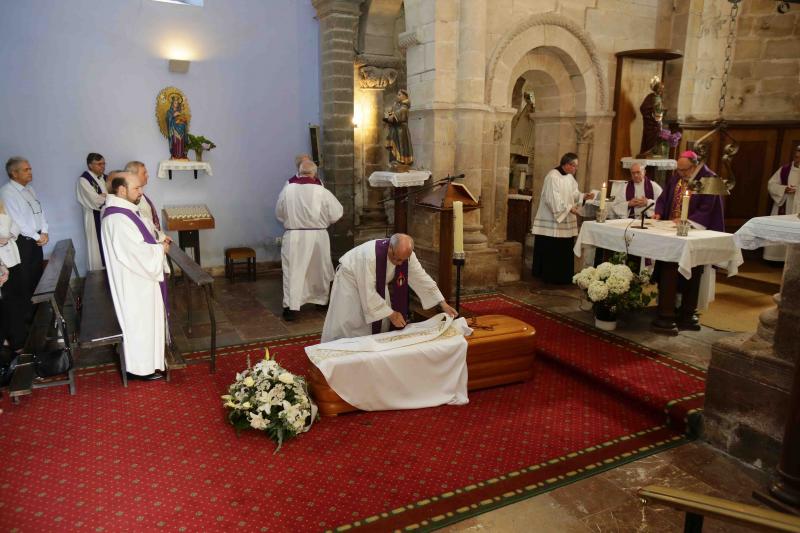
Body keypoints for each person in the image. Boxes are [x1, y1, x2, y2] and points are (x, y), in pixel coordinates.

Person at [321, 233, 457, 342]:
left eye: (403, 260)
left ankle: (370, 353)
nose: (399, 264)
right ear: (390, 248)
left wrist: (442, 303)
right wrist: (391, 313)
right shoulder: (369, 256)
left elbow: (422, 278)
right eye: (396, 258)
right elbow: (368, 292)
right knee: (349, 322)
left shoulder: (407, 256)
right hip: (350, 284)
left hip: (376, 287)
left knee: (378, 324)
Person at [101, 172, 170, 381]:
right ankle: (140, 368)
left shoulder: (126, 210)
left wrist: (158, 241)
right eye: (137, 188)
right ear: (121, 190)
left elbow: (145, 233)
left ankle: (150, 362)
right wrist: (160, 251)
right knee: (139, 323)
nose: (141, 192)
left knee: (144, 322)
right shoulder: (117, 218)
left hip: (139, 279)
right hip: (134, 282)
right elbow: (134, 252)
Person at [276, 160, 343, 321]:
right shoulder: (322, 191)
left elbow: (279, 213)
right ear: (314, 173)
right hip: (318, 237)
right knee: (319, 270)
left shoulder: (287, 190)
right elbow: (336, 213)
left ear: (299, 172)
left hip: (294, 237)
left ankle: (291, 308)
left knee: (293, 272)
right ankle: (320, 302)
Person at [1, 157, 48, 338]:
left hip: (36, 239)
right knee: (25, 280)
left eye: (30, 169)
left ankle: (40, 315)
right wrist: (37, 236)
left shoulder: (30, 189)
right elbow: (18, 221)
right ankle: (29, 321)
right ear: (14, 173)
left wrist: (44, 231)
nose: (30, 172)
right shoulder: (7, 192)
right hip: (23, 242)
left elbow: (39, 211)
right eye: (26, 169)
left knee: (37, 277)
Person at [531, 153, 594, 284]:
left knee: (563, 248)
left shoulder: (569, 177)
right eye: (574, 166)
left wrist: (583, 196)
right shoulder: (552, 176)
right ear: (567, 164)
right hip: (552, 221)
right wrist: (569, 209)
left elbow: (574, 194)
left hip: (564, 219)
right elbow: (551, 199)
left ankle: (563, 276)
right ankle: (550, 277)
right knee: (552, 248)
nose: (576, 169)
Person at [653, 150, 725, 231]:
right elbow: (663, 198)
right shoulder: (677, 177)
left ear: (694, 166)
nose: (681, 173)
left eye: (684, 170)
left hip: (696, 229)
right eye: (679, 170)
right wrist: (658, 213)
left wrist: (687, 221)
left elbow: (707, 208)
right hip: (671, 226)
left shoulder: (710, 178)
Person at [763, 145, 800, 261]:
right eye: (796, 156)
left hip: (797, 206)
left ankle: (792, 259)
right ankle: (775, 258)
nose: (797, 159)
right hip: (784, 203)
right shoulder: (784, 170)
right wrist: (784, 189)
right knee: (778, 229)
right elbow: (771, 184)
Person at [124, 161, 170, 243]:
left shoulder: (140, 194)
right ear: (133, 176)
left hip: (156, 238)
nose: (147, 175)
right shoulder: (133, 199)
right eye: (144, 173)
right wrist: (162, 238)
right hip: (149, 242)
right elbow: (144, 226)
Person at [76, 152, 108, 270]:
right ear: (90, 165)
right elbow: (95, 201)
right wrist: (104, 197)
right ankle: (97, 274)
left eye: (104, 163)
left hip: (107, 216)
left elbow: (114, 195)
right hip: (93, 217)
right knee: (96, 247)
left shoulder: (105, 177)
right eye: (99, 164)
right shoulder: (84, 180)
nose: (103, 166)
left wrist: (105, 196)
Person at [0, 199, 22, 350]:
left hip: (11, 259)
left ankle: (13, 337)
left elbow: (15, 227)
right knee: (7, 305)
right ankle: (14, 341)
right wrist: (1, 213)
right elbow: (3, 230)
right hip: (3, 264)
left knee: (15, 301)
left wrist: (9, 236)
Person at [383, 89, 413, 166]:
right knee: (394, 143)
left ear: (404, 96)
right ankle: (394, 160)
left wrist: (392, 116)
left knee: (401, 144)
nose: (398, 96)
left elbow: (399, 114)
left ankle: (401, 160)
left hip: (401, 129)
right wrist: (389, 115)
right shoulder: (397, 104)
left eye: (399, 95)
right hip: (395, 127)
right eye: (398, 94)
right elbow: (391, 112)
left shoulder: (405, 106)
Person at [638, 76, 665, 157]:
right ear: (657, 89)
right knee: (652, 142)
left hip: (651, 124)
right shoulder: (655, 98)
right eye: (661, 88)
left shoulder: (651, 97)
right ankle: (651, 153)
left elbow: (644, 108)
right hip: (653, 125)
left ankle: (650, 153)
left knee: (651, 141)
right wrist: (655, 116)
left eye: (662, 88)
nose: (662, 90)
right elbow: (645, 108)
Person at [167, 95, 189, 160]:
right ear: (172, 103)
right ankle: (175, 155)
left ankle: (182, 155)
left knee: (181, 142)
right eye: (175, 103)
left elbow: (184, 120)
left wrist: (184, 121)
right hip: (174, 130)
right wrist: (173, 115)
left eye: (177, 103)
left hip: (181, 130)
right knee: (175, 142)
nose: (176, 104)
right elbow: (168, 119)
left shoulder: (180, 111)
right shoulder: (169, 112)